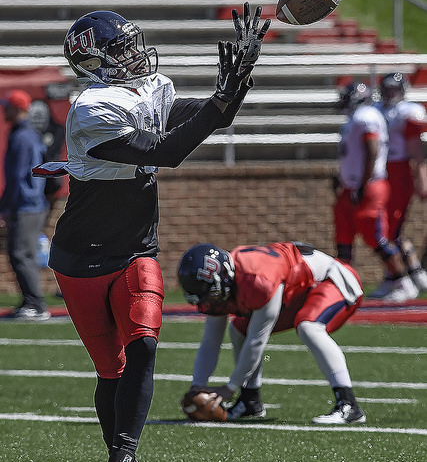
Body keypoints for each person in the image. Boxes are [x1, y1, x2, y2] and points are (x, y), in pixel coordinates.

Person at [33, 6, 270, 462]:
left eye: (132, 43)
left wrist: (236, 85)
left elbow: (210, 116)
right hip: (81, 257)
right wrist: (220, 102)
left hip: (136, 248)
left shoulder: (149, 87)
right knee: (111, 370)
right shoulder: (91, 108)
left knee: (143, 345)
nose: (134, 54)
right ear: (93, 61)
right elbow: (167, 150)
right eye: (121, 49)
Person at [177, 241, 366, 425]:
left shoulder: (258, 280)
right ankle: (250, 402)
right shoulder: (226, 282)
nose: (209, 303)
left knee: (309, 326)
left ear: (225, 276)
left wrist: (230, 387)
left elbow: (257, 341)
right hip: (296, 291)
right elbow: (210, 342)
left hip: (333, 280)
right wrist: (197, 386)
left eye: (212, 294)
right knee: (239, 330)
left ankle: (348, 404)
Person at [333, 81, 418, 303]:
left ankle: (402, 281)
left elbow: (372, 148)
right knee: (343, 237)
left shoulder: (366, 116)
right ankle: (341, 285)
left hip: (368, 186)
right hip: (352, 186)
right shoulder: (356, 117)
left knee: (377, 237)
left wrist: (363, 184)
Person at [370, 72, 427, 298]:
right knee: (387, 229)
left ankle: (396, 279)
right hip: (380, 173)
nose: (390, 93)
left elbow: (417, 151)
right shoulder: (375, 110)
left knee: (389, 229)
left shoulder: (407, 111)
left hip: (399, 172)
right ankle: (413, 271)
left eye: (394, 89)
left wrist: (422, 178)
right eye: (386, 89)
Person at [0, 89, 50, 320]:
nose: (4, 110)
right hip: (31, 203)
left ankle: (35, 304)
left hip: (27, 204)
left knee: (21, 253)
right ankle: (30, 301)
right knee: (21, 253)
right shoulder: (28, 134)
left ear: (17, 108)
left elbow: (18, 176)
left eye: (7, 106)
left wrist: (5, 208)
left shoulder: (22, 136)